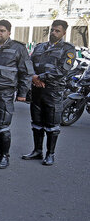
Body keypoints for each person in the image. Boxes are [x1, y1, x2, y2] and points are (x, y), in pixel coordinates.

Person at [0, 20, 33, 169]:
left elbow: (27, 72)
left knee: (2, 126)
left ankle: (4, 156)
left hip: (5, 93)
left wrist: (22, 93)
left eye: (2, 30)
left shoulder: (18, 48)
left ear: (9, 32)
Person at [22, 20, 76, 165]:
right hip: (37, 90)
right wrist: (33, 77)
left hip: (53, 91)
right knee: (36, 122)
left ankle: (50, 154)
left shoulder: (68, 49)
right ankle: (37, 151)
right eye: (52, 30)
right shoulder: (40, 47)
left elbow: (62, 70)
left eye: (57, 31)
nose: (53, 33)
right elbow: (28, 63)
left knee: (52, 125)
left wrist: (40, 77)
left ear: (64, 32)